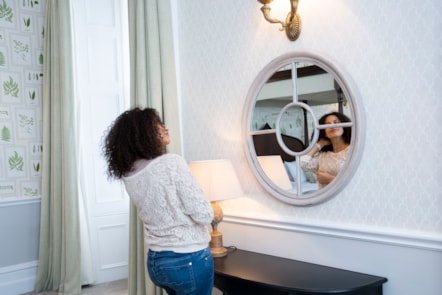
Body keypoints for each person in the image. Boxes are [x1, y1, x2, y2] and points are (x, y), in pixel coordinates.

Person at [102, 107, 214, 295]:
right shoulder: (172, 163)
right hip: (188, 258)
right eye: (158, 126)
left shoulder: (130, 173)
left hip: (157, 262)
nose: (166, 128)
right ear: (144, 134)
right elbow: (204, 215)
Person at [301, 111, 351, 189]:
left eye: (336, 122)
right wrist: (319, 145)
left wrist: (330, 179)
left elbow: (357, 182)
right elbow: (302, 163)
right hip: (325, 200)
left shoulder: (352, 151)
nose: (332, 126)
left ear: (343, 126)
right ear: (324, 132)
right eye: (328, 124)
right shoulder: (323, 156)